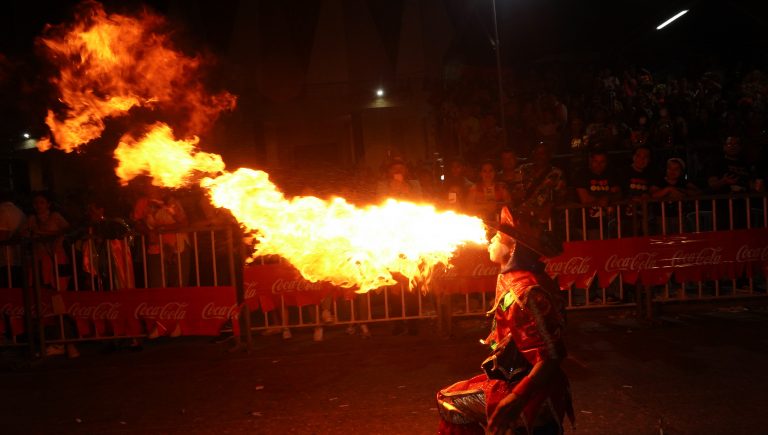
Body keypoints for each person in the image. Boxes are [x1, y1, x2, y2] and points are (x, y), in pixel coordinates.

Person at [436, 207, 573, 434]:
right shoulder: (514, 278)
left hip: (530, 391)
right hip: (522, 381)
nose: (490, 239)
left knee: (450, 403)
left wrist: (517, 398)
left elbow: (552, 355)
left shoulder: (526, 291)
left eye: (498, 237)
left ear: (514, 249)